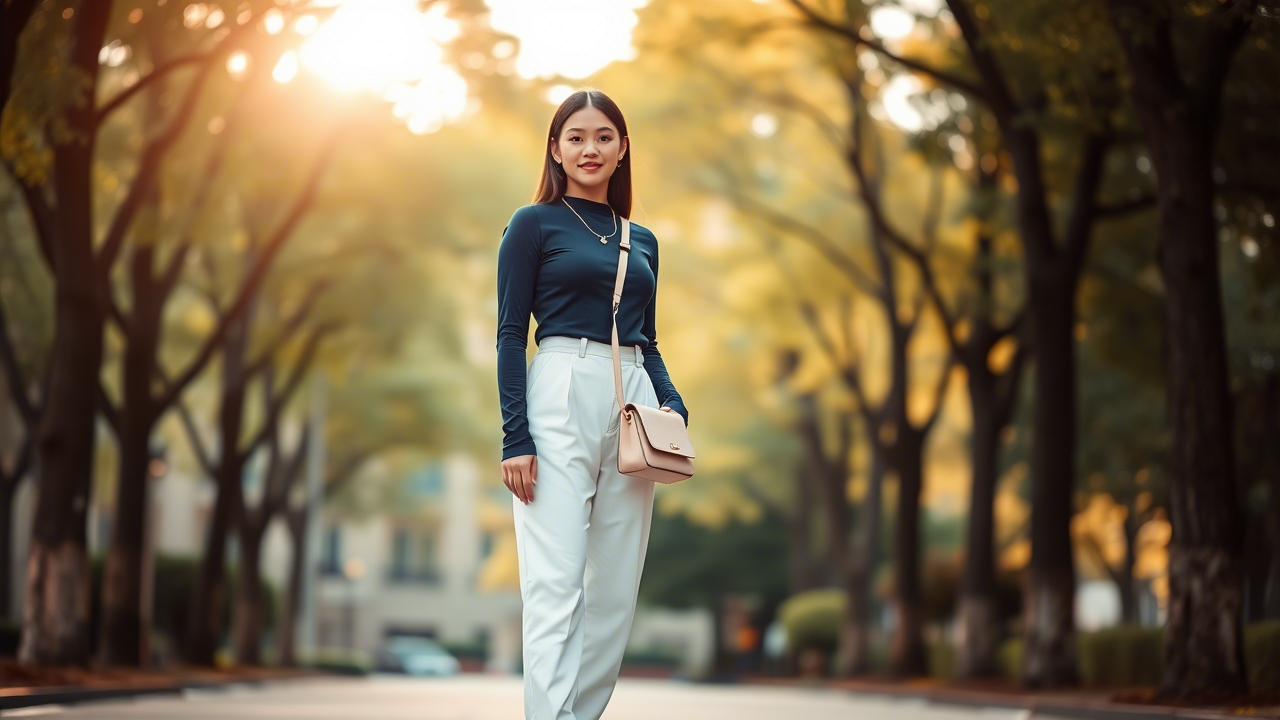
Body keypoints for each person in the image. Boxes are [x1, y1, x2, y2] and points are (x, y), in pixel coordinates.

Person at [495, 88, 689, 720]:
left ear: (622, 147)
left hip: (631, 397)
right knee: (554, 585)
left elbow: (647, 339)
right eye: (575, 137)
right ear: (555, 149)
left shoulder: (645, 240)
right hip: (558, 387)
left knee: (614, 593)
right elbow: (508, 334)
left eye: (603, 136)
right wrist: (515, 438)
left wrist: (672, 402)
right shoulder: (533, 224)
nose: (589, 148)